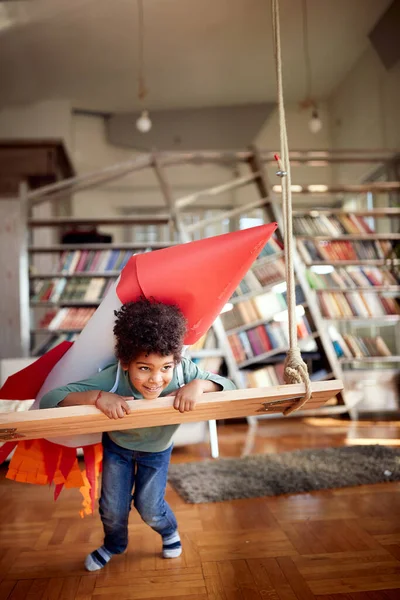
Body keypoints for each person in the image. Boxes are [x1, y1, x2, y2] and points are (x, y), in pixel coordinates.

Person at [39, 298, 236, 571]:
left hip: (157, 451)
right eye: (145, 368)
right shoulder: (113, 377)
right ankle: (114, 545)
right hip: (118, 447)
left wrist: (200, 385)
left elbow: (231, 386)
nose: (156, 380)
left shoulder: (183, 373)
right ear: (126, 362)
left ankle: (169, 532)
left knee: (150, 507)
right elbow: (51, 400)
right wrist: (97, 396)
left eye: (165, 367)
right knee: (111, 507)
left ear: (175, 361)